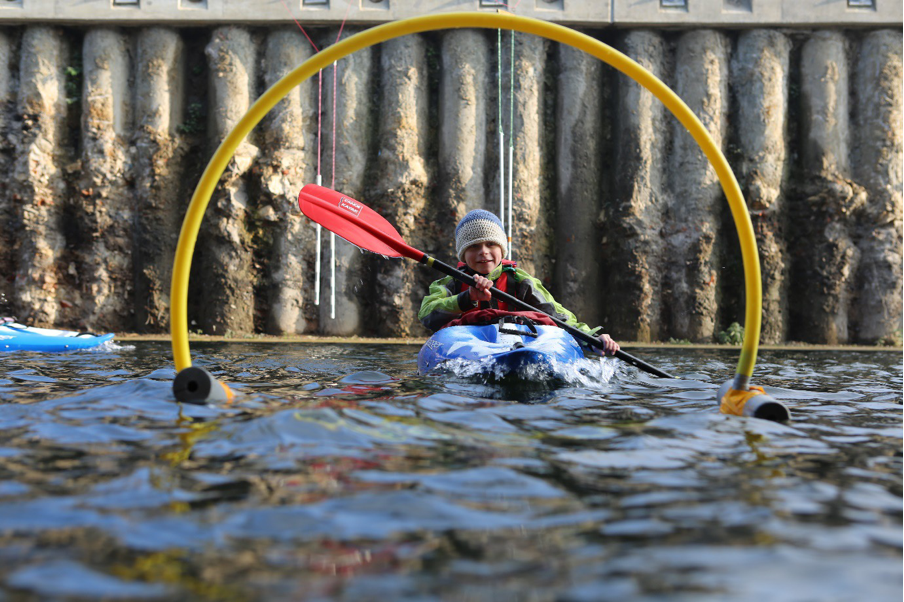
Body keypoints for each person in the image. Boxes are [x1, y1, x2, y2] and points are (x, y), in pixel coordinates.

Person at [418, 209, 620, 356]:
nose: (483, 252)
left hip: (521, 339)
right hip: (471, 344)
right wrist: (466, 298)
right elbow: (427, 314)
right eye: (474, 247)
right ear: (463, 253)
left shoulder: (520, 280)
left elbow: (557, 314)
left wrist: (591, 338)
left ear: (502, 248)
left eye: (491, 244)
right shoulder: (449, 283)